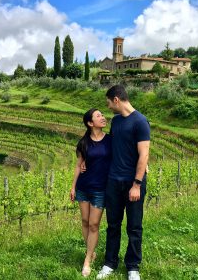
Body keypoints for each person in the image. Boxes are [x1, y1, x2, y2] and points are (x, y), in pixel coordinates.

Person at [96, 85, 150, 280]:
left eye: (108, 103)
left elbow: (144, 154)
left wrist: (136, 184)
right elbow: (114, 148)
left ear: (116, 100)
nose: (108, 107)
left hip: (132, 183)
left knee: (134, 226)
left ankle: (132, 267)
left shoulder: (141, 122)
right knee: (113, 225)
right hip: (113, 181)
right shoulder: (116, 121)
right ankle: (110, 263)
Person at [70, 108, 111, 277]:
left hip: (100, 189)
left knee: (94, 224)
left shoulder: (110, 140)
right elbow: (79, 165)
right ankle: (91, 252)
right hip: (83, 187)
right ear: (90, 123)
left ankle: (87, 260)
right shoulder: (83, 143)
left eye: (102, 114)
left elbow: (126, 151)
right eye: (98, 116)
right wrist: (73, 187)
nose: (103, 117)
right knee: (85, 221)